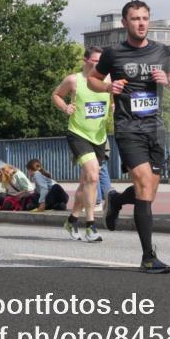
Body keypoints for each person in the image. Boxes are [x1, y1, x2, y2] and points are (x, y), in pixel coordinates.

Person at [89, 0, 170, 274]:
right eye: (135, 18)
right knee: (142, 184)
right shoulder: (113, 53)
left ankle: (115, 201)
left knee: (148, 193)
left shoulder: (161, 51)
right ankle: (148, 257)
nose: (141, 23)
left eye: (145, 18)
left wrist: (167, 80)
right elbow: (93, 78)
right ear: (125, 23)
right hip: (128, 129)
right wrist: (108, 86)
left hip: (155, 129)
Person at [52, 47, 109, 242]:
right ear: (85, 60)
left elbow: (114, 102)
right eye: (95, 61)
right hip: (78, 134)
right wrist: (65, 106)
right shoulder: (74, 80)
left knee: (86, 182)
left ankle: (72, 219)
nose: (99, 65)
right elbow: (56, 95)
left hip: (99, 136)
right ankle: (91, 226)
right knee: (93, 177)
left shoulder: (108, 81)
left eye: (101, 62)